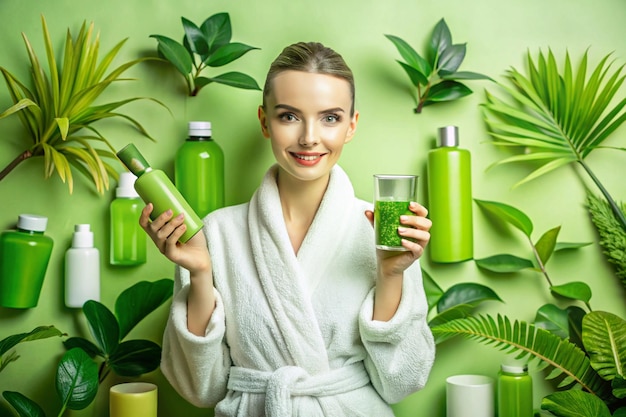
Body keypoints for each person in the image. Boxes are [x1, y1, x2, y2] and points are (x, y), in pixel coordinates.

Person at [140, 41, 435, 417]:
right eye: (289, 116)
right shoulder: (216, 234)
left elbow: (400, 383)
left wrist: (391, 274)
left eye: (330, 118)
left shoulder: (383, 233)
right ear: (265, 122)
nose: (309, 137)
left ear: (351, 126)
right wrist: (199, 273)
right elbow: (202, 388)